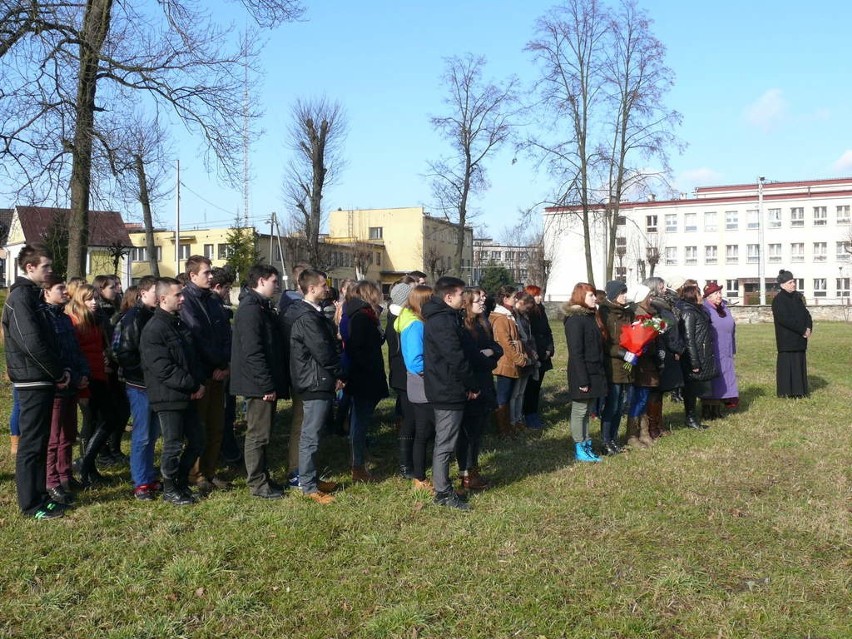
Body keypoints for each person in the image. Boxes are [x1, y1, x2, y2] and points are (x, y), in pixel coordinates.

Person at [2, 245, 69, 519]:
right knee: (31, 444)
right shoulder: (20, 298)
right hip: (32, 379)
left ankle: (42, 496)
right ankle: (30, 505)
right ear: (30, 267)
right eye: (46, 266)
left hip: (42, 377)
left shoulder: (33, 297)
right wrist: (56, 371)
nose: (50, 271)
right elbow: (31, 343)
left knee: (41, 440)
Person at [141, 278, 206, 506]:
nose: (182, 298)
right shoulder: (154, 329)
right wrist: (192, 385)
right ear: (162, 299)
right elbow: (164, 369)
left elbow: (190, 358)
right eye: (178, 295)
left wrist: (198, 383)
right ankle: (169, 488)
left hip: (186, 394)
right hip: (168, 397)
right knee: (173, 444)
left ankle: (180, 481)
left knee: (198, 440)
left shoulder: (177, 324)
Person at [282, 268, 344, 504]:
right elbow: (323, 351)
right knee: (310, 435)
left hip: (319, 379)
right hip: (313, 381)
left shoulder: (312, 314)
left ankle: (311, 478)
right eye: (322, 285)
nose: (326, 288)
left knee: (313, 433)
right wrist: (340, 372)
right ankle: (307, 485)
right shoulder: (306, 317)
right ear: (311, 289)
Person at [230, 265, 290, 499]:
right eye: (274, 281)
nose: (277, 286)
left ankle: (262, 476)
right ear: (262, 281)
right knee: (257, 434)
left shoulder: (260, 307)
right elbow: (253, 352)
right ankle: (257, 483)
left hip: (263, 382)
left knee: (263, 433)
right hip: (257, 384)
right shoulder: (250, 310)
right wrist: (266, 385)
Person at [423, 276, 478, 510]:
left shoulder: (446, 318)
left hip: (448, 386)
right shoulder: (442, 322)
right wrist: (471, 384)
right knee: (445, 442)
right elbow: (455, 357)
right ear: (448, 297)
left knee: (446, 440)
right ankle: (443, 492)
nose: (463, 298)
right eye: (460, 294)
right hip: (447, 388)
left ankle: (443, 487)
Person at [180, 255, 232, 495]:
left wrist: (225, 363)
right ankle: (196, 473)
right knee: (199, 427)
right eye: (206, 273)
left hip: (219, 372)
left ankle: (210, 471)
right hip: (202, 373)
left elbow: (225, 332)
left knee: (216, 425)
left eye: (211, 273)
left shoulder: (213, 300)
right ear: (193, 276)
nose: (211, 276)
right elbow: (196, 336)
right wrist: (215, 364)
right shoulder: (187, 301)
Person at [67, 283, 123, 486]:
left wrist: (106, 357)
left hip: (100, 374)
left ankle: (87, 464)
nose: (94, 303)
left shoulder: (95, 319)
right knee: (92, 421)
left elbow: (101, 345)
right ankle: (87, 467)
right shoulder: (74, 321)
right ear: (80, 301)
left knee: (109, 419)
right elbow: (73, 352)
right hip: (86, 378)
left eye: (95, 298)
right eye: (89, 299)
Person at [42, 274, 90, 507]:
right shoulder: (44, 318)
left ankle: (65, 474)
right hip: (58, 385)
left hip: (72, 383)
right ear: (46, 291)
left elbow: (75, 349)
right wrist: (63, 374)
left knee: (68, 435)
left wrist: (82, 373)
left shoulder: (64, 318)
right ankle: (51, 482)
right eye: (60, 288)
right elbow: (50, 353)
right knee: (54, 437)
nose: (66, 292)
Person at [113, 276, 161, 500]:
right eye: (155, 291)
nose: (160, 296)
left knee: (152, 434)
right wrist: (145, 372)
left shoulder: (156, 315)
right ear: (143, 294)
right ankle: (140, 482)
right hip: (139, 385)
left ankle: (149, 475)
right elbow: (124, 352)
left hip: (155, 384)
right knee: (141, 435)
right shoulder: (133, 317)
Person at [342, 280, 389, 482]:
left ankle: (359, 459)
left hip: (366, 375)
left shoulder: (366, 315)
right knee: (359, 423)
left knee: (361, 421)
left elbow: (375, 341)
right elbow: (357, 348)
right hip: (364, 377)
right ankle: (357, 465)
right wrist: (368, 370)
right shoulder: (361, 317)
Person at [456, 288, 501, 491]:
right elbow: (471, 357)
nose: (482, 303)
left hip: (485, 381)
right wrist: (487, 359)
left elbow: (496, 347)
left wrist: (491, 352)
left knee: (478, 432)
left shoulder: (482, 324)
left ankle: (473, 470)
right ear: (466, 304)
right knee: (468, 433)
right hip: (471, 385)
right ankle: (465, 473)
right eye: (477, 301)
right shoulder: (462, 327)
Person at [397, 284, 437, 491]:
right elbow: (415, 361)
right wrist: (438, 371)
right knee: (423, 432)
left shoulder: (417, 322)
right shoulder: (415, 326)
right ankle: (419, 477)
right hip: (422, 385)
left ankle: (420, 474)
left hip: (423, 383)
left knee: (425, 431)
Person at [562, 283, 607, 462]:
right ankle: (579, 446)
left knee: (587, 410)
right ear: (581, 297)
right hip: (582, 372)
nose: (594, 298)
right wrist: (582, 380)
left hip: (594, 370)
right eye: (590, 295)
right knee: (579, 410)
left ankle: (587, 443)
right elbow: (576, 352)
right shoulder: (575, 320)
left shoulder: (590, 317)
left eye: (594, 295)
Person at [598, 280, 635, 455]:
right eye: (622, 293)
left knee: (620, 405)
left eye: (625, 292)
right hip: (612, 364)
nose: (625, 296)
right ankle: (605, 441)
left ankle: (613, 438)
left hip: (627, 365)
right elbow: (605, 343)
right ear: (613, 295)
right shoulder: (605, 313)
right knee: (612, 404)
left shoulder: (627, 313)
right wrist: (622, 354)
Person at [625, 284, 664, 449]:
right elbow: (632, 336)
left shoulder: (650, 315)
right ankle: (632, 434)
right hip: (639, 363)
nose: (651, 299)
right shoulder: (636, 315)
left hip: (649, 361)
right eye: (649, 296)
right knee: (638, 400)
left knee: (644, 398)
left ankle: (644, 432)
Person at [646, 277, 685, 438]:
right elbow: (666, 330)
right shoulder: (655, 307)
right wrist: (675, 347)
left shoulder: (665, 305)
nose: (665, 290)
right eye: (661, 287)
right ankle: (653, 426)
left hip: (669, 351)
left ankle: (659, 423)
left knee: (660, 391)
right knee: (655, 391)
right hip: (661, 351)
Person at [489, 285, 529, 437]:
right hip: (505, 363)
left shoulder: (508, 316)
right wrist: (519, 358)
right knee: (503, 397)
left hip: (510, 362)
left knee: (508, 395)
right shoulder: (501, 318)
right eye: (514, 297)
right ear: (505, 299)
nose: (516, 299)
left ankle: (509, 426)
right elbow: (505, 343)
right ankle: (503, 429)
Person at [677, 284, 718, 430]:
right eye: (699, 294)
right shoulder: (688, 313)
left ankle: (693, 416)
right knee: (691, 389)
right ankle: (690, 418)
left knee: (695, 388)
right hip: (693, 357)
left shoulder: (697, 310)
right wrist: (694, 361)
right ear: (692, 296)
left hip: (702, 353)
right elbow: (689, 339)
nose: (702, 297)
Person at [386, 279, 415, 477]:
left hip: (403, 375)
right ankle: (405, 464)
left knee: (411, 418)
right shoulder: (398, 320)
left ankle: (410, 459)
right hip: (403, 375)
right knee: (409, 419)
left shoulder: (399, 317)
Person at [771, 269, 812, 398]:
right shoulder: (778, 300)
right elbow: (784, 319)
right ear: (782, 285)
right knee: (787, 366)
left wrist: (809, 327)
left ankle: (800, 391)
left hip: (800, 339)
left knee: (799, 365)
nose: (793, 284)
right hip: (787, 340)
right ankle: (786, 392)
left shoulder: (798, 297)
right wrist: (802, 329)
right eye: (790, 282)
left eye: (793, 281)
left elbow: (807, 314)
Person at [701, 281, 738, 419]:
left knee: (723, 379)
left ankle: (717, 409)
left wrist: (732, 348)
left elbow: (732, 328)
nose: (719, 295)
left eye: (720, 292)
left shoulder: (724, 308)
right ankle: (707, 410)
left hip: (725, 348)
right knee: (713, 381)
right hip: (712, 349)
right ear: (708, 297)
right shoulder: (705, 309)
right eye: (716, 293)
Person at [522, 285, 554, 429]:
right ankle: (528, 414)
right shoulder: (528, 314)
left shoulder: (541, 310)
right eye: (537, 295)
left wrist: (549, 349)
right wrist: (540, 352)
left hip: (544, 353)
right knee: (530, 387)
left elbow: (548, 331)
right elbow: (530, 336)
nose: (540, 297)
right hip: (535, 354)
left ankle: (533, 413)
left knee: (537, 386)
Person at [510, 292, 539, 430]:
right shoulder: (513, 316)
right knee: (515, 393)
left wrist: (534, 351)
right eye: (527, 307)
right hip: (521, 356)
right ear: (520, 303)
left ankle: (519, 418)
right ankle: (512, 420)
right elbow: (520, 338)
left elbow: (530, 335)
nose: (528, 310)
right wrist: (529, 351)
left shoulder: (525, 316)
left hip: (529, 356)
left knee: (521, 392)